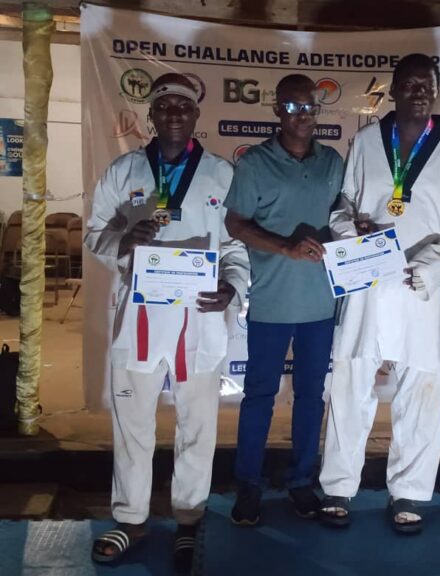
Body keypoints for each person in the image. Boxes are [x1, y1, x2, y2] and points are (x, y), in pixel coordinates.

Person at [86, 73, 249, 572]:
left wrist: (232, 287)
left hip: (198, 320)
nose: (174, 113)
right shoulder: (125, 170)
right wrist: (122, 241)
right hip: (137, 320)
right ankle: (131, 519)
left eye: (183, 105)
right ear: (151, 115)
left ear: (196, 114)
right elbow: (95, 232)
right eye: (165, 106)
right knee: (132, 425)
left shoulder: (222, 175)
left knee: (197, 427)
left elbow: (238, 245)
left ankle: (189, 519)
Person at [318, 53, 440, 533]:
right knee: (350, 382)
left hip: (422, 286)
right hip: (368, 281)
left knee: (422, 390)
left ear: (436, 91)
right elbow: (344, 203)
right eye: (408, 84)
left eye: (426, 85)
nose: (418, 92)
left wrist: (431, 264)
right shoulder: (368, 140)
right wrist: (349, 230)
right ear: (392, 90)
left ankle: (409, 492)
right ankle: (338, 485)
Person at [224, 74, 343, 523]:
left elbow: (343, 218)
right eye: (292, 107)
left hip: (320, 303)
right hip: (272, 301)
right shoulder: (255, 162)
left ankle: (300, 481)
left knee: (311, 396)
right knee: (259, 396)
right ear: (277, 110)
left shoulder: (332, 162)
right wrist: (285, 247)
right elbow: (236, 223)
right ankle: (248, 485)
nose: (302, 115)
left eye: (309, 106)